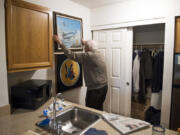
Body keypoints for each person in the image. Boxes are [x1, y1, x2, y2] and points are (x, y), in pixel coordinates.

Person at [53, 35, 108, 111]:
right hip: (104, 87)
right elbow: (90, 47)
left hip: (95, 90)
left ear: (88, 48)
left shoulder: (89, 56)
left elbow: (72, 55)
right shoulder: (99, 53)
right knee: (98, 109)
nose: (84, 48)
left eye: (85, 47)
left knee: (90, 111)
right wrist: (86, 43)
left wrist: (60, 43)